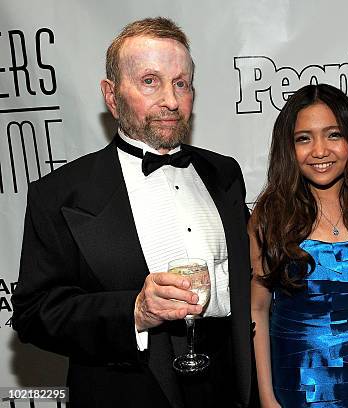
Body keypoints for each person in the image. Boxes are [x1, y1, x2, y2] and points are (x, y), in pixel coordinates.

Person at [12, 17, 252, 408]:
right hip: (126, 392)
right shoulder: (59, 194)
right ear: (111, 95)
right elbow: (34, 313)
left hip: (226, 389)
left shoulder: (224, 173)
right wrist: (134, 311)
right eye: (150, 81)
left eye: (181, 83)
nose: (171, 101)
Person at [250, 84, 348, 407]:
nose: (319, 151)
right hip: (297, 390)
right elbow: (257, 308)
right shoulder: (271, 215)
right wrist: (266, 397)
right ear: (290, 148)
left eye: (333, 135)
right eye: (304, 138)